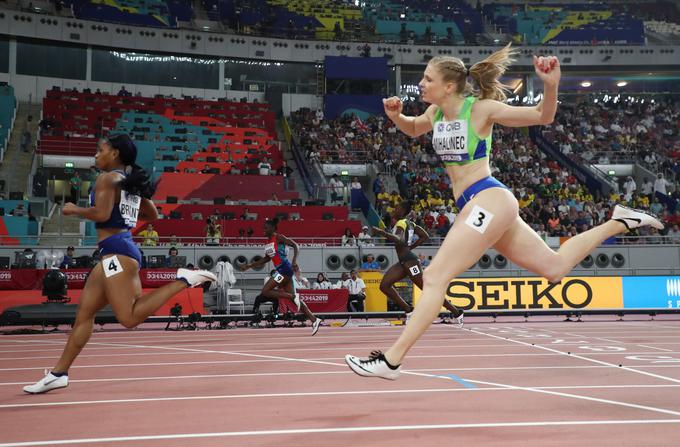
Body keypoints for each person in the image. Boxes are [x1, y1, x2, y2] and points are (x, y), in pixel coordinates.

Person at [345, 46, 663, 380]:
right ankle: (619, 221)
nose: (421, 84)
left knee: (436, 277)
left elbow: (543, 116)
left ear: (449, 86)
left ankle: (391, 361)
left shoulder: (480, 110)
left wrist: (550, 84)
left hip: (489, 198)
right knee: (553, 268)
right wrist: (395, 116)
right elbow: (412, 128)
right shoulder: (436, 114)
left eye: (428, 78)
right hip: (476, 204)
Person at [24, 134, 216, 394]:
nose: (95, 155)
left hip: (117, 253)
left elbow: (101, 214)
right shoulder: (125, 183)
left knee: (129, 317)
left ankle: (184, 279)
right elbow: (153, 214)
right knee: (84, 316)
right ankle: (59, 373)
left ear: (114, 154)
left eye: (100, 150)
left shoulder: (108, 178)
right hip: (113, 251)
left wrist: (74, 209)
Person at [371, 200, 464, 322]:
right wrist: (410, 247)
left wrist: (381, 232)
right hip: (404, 262)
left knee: (427, 290)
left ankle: (457, 312)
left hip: (410, 262)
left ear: (403, 211)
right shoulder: (410, 224)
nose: (394, 210)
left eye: (397, 208)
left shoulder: (401, 223)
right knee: (384, 285)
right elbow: (425, 236)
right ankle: (409, 310)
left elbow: (398, 239)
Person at [240, 218, 321, 335]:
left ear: (272, 228)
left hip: (284, 269)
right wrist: (250, 265)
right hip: (282, 271)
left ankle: (293, 296)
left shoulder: (278, 237)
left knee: (266, 291)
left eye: (266, 228)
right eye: (263, 227)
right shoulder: (267, 243)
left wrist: (294, 261)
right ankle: (314, 319)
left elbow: (295, 245)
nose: (263, 229)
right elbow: (266, 259)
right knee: (294, 300)